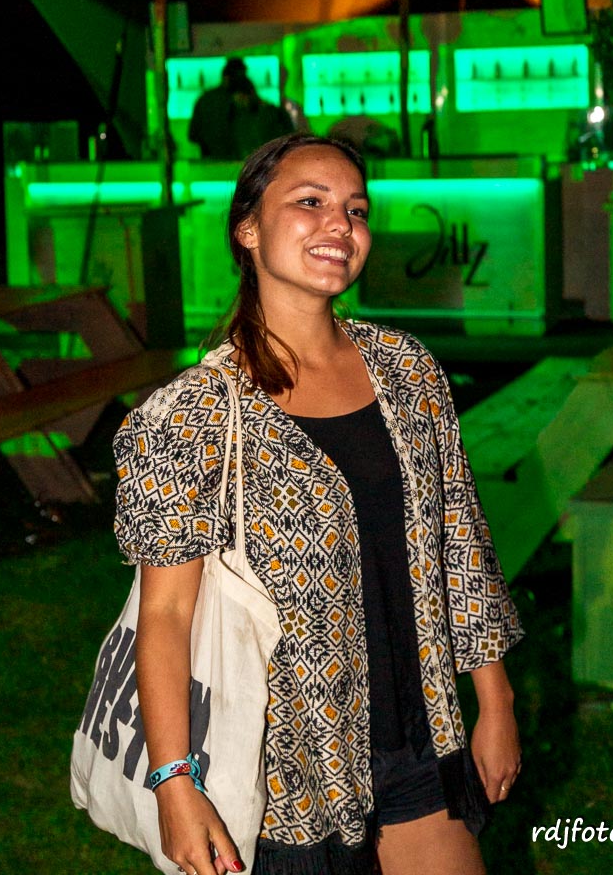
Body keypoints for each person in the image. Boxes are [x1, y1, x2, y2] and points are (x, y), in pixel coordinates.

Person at [114, 133, 523, 875]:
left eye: (356, 211)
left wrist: (495, 702)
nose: (341, 225)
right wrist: (175, 782)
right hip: (282, 769)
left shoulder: (407, 371)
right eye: (311, 202)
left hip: (418, 733)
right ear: (248, 228)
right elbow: (166, 613)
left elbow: (460, 542)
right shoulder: (192, 414)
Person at [189, 56, 294, 160]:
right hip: (240, 161)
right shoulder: (254, 108)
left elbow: (193, 135)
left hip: (211, 162)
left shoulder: (205, 100)